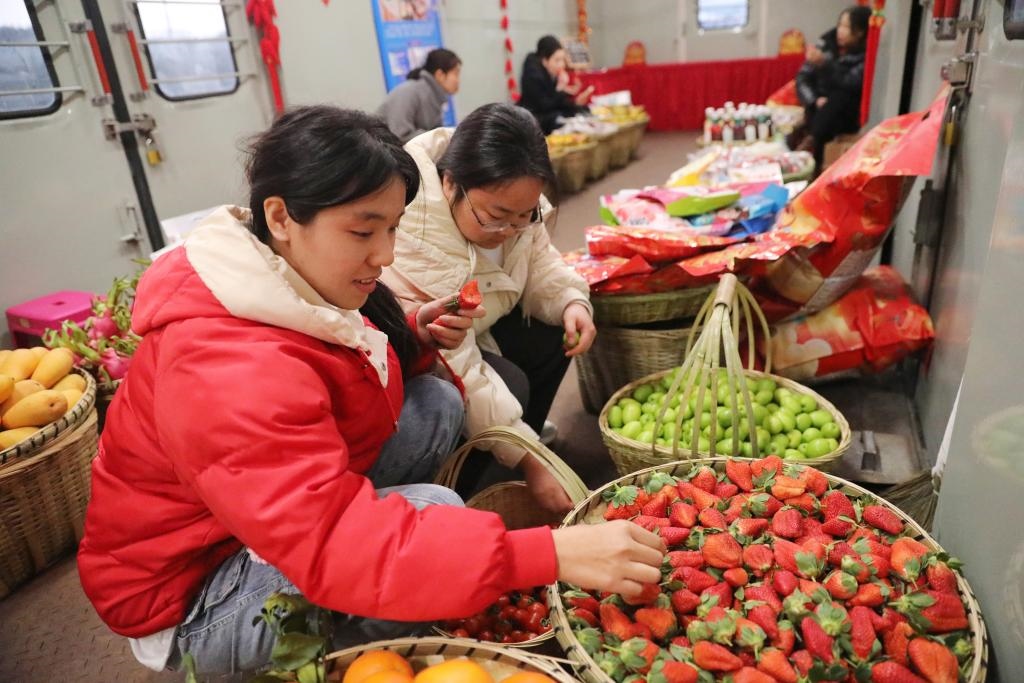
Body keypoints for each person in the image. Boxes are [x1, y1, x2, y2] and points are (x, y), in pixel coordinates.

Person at [77, 106, 663, 676]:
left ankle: (398, 558)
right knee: (435, 512)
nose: (385, 256)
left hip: (246, 518)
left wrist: (414, 334)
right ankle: (359, 644)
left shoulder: (284, 278)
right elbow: (334, 544)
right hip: (193, 597)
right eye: (364, 231)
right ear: (280, 217)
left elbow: (336, 371)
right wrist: (549, 554)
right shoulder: (223, 362)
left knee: (437, 403)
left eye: (392, 228)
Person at [381, 102, 597, 517]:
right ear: (450, 184)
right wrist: (532, 459)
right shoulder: (417, 234)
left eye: (524, 216)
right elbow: (458, 366)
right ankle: (474, 482)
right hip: (431, 357)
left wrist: (572, 301)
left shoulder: (514, 200)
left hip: (483, 325)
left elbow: (541, 262)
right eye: (495, 217)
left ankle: (519, 445)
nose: (509, 230)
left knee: (558, 330)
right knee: (506, 384)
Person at [789, 5, 871, 166]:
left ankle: (810, 141)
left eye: (847, 27)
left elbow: (851, 82)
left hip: (843, 114)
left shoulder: (866, 55)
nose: (840, 31)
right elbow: (803, 78)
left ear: (860, 32)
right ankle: (809, 144)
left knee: (841, 96)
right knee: (822, 113)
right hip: (817, 108)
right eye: (840, 25)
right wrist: (814, 100)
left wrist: (825, 65)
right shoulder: (826, 43)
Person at [376, 48, 461, 143]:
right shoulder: (409, 91)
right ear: (440, 75)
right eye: (456, 74)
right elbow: (400, 135)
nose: (458, 80)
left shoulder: (435, 98)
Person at [518, 35, 593, 135]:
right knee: (557, 117)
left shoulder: (551, 71)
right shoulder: (533, 76)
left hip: (550, 110)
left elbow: (557, 101)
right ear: (545, 61)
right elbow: (545, 106)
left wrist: (575, 101)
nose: (562, 65)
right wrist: (560, 90)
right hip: (535, 118)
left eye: (563, 60)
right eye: (557, 60)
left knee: (582, 109)